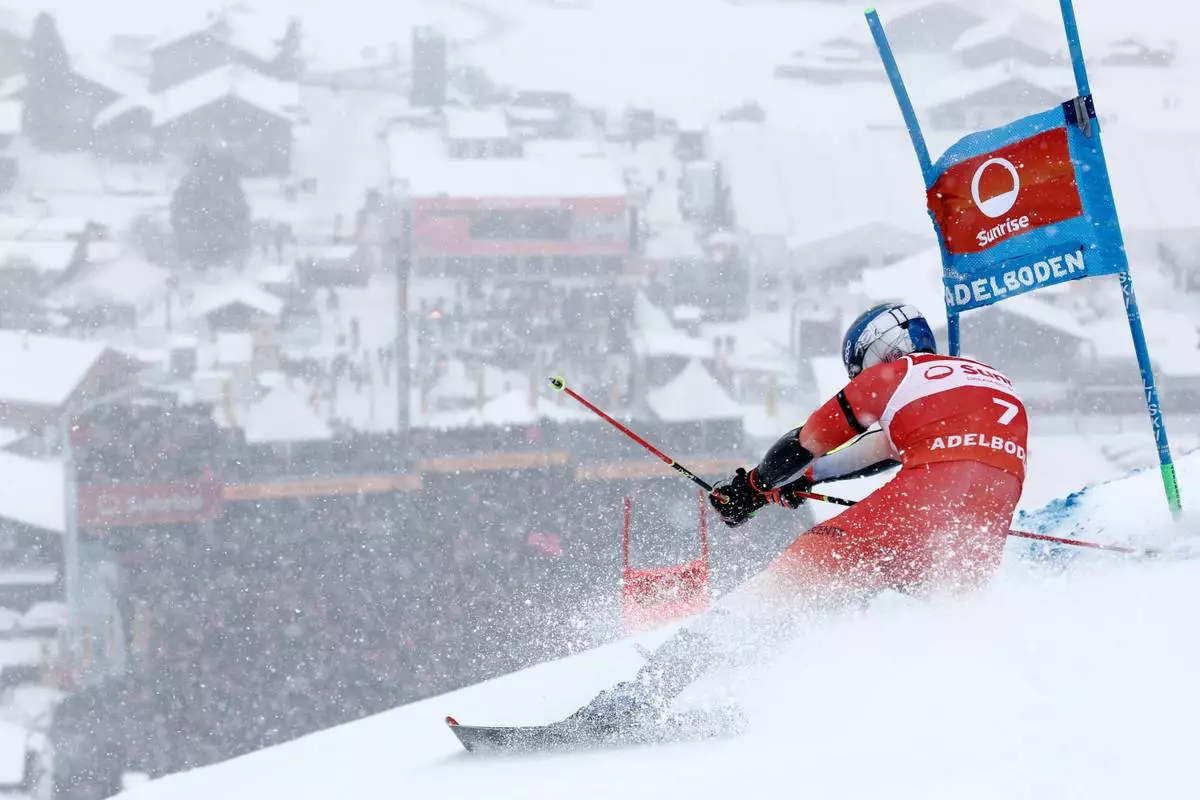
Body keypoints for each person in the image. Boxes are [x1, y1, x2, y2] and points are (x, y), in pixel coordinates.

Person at [573, 302, 1028, 727]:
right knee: (903, 617)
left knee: (775, 593)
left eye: (858, 367)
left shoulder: (893, 376)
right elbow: (870, 455)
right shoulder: (992, 379)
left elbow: (808, 442)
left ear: (880, 351)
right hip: (976, 540)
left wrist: (753, 487)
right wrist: (800, 482)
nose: (858, 377)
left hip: (911, 511)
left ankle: (638, 700)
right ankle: (906, 716)